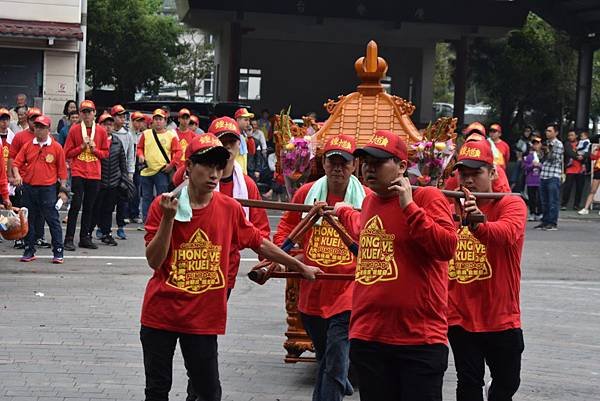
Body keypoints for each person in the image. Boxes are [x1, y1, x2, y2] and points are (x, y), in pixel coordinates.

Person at [140, 133, 321, 401]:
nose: (215, 173)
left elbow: (259, 243)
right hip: (161, 314)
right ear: (189, 167)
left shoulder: (229, 208)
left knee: (209, 392)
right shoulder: (164, 204)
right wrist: (168, 219)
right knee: (157, 390)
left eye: (218, 166)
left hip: (202, 318)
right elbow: (154, 260)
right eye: (207, 165)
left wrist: (300, 266)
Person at [334, 130, 458, 401]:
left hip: (418, 340)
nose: (369, 168)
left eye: (379, 162)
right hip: (369, 335)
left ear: (402, 166)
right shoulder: (368, 202)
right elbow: (361, 230)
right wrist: (343, 210)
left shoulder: (427, 198)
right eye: (366, 162)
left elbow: (447, 247)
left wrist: (409, 207)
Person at [274, 134, 370, 401]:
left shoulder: (367, 198)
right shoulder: (307, 193)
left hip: (348, 292)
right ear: (324, 164)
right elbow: (285, 228)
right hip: (312, 290)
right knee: (328, 358)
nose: (338, 169)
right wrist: (285, 256)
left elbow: (374, 237)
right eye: (333, 162)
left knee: (336, 359)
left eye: (344, 163)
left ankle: (336, 386)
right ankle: (341, 384)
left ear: (355, 166)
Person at [447, 138, 527, 401]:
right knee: (467, 382)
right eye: (464, 174)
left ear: (492, 173)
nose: (468, 181)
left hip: (501, 316)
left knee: (507, 383)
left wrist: (479, 225)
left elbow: (506, 233)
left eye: (476, 173)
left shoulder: (511, 203)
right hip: (459, 314)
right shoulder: (450, 204)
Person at [12, 115, 67, 264]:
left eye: (42, 127)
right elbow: (16, 163)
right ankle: (29, 249)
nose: (38, 130)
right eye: (37, 127)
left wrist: (63, 191)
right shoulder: (28, 145)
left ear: (48, 129)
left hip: (47, 189)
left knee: (52, 220)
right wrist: (17, 176)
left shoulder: (56, 147)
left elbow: (62, 172)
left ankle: (58, 251)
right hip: (29, 188)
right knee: (28, 220)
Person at [63, 100, 110, 250]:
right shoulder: (74, 130)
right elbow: (67, 153)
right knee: (76, 205)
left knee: (89, 206)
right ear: (80, 114)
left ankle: (85, 237)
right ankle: (69, 238)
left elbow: (105, 154)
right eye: (84, 112)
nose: (87, 115)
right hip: (78, 171)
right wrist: (81, 147)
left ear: (95, 113)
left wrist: (94, 150)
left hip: (95, 173)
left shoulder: (101, 131)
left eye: (89, 111)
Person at [8, 107, 50, 249]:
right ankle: (19, 237)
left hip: (41, 180)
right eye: (32, 119)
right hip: (23, 179)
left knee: (40, 210)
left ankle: (39, 236)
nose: (35, 122)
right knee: (22, 209)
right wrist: (11, 176)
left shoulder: (47, 137)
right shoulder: (20, 136)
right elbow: (12, 157)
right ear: (28, 119)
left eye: (37, 118)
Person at [136, 109, 182, 223]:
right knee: (146, 197)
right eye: (156, 119)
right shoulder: (146, 134)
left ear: (165, 121)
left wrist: (171, 165)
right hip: (146, 170)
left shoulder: (170, 135)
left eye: (160, 119)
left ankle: (161, 219)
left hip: (162, 171)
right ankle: (146, 220)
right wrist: (140, 155)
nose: (158, 122)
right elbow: (139, 148)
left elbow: (178, 152)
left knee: (162, 196)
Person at [92, 113, 128, 246]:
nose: (108, 127)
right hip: (97, 180)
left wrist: (124, 178)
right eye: (105, 124)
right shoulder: (94, 140)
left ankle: (106, 233)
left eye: (110, 124)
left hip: (113, 181)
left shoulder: (117, 142)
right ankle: (89, 232)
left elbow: (122, 161)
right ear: (99, 125)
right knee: (95, 208)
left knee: (108, 209)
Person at [445, 123, 511, 193]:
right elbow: (447, 197)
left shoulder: (496, 170)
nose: (469, 180)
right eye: (464, 174)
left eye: (476, 173)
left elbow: (505, 196)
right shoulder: (457, 172)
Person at [110, 105, 136, 239]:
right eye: (119, 116)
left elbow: (131, 154)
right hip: (109, 170)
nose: (122, 119)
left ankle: (120, 227)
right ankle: (103, 227)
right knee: (107, 201)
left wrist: (130, 173)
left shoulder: (128, 135)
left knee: (122, 201)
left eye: (123, 116)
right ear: (113, 117)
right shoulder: (107, 132)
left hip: (123, 171)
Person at [536, 124, 564, 231]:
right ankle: (545, 221)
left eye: (549, 131)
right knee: (544, 200)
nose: (547, 132)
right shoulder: (546, 143)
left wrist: (547, 150)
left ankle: (552, 223)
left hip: (553, 175)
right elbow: (542, 159)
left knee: (553, 200)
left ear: (556, 133)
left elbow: (554, 159)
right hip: (544, 174)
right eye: (546, 131)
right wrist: (539, 151)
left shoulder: (558, 144)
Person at [128, 111, 147, 224]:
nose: (139, 124)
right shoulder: (128, 134)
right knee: (127, 188)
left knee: (137, 188)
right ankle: (126, 213)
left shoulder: (144, 135)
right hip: (129, 162)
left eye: (141, 121)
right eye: (137, 121)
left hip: (139, 164)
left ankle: (135, 213)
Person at [561, 130, 585, 211]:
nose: (570, 137)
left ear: (576, 136)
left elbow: (586, 153)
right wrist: (578, 156)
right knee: (567, 187)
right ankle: (564, 204)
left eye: (572, 135)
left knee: (579, 188)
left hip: (580, 169)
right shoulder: (567, 144)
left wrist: (583, 158)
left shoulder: (582, 143)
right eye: (569, 135)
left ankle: (576, 205)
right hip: (570, 169)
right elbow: (569, 152)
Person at [522, 135, 543, 221]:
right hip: (531, 180)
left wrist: (540, 165)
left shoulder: (543, 155)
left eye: (538, 143)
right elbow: (524, 167)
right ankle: (532, 213)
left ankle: (540, 213)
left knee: (540, 198)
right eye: (534, 144)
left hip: (540, 180)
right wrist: (532, 165)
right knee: (532, 198)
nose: (536, 145)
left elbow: (547, 167)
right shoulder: (529, 156)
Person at [578, 144, 600, 215]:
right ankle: (586, 208)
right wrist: (594, 151)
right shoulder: (598, 150)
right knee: (593, 190)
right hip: (598, 170)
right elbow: (593, 157)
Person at [234, 108, 253, 174]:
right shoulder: (233, 135)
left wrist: (250, 137)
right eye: (245, 120)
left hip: (243, 172)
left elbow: (252, 152)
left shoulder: (244, 135)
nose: (248, 123)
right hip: (234, 172)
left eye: (249, 120)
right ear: (238, 120)